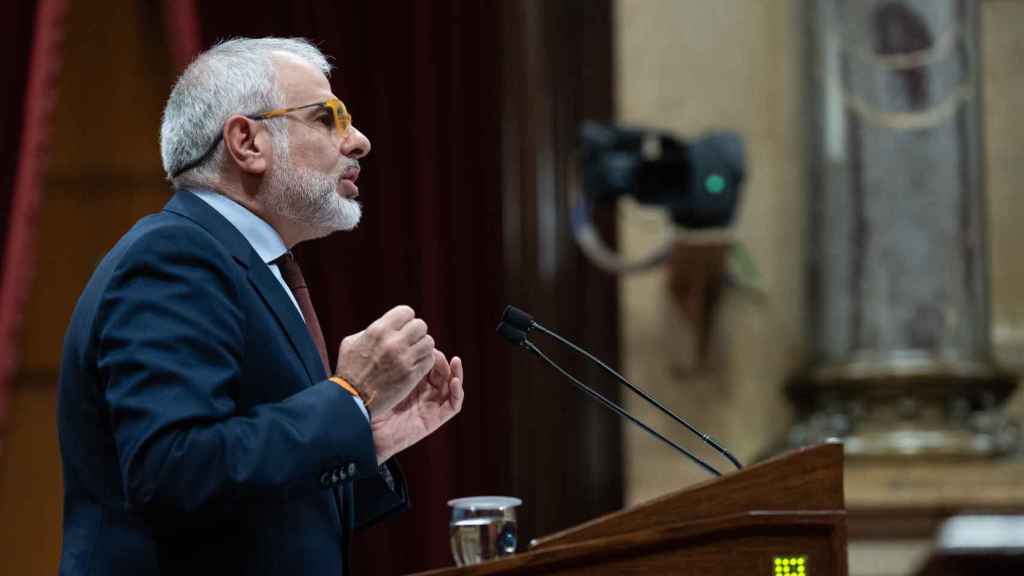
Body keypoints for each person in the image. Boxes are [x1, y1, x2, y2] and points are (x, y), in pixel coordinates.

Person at [56, 37, 464, 575]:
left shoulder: (249, 265)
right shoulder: (173, 258)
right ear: (247, 142)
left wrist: (366, 437)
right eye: (327, 117)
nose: (359, 141)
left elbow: (252, 506)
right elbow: (173, 471)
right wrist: (351, 395)